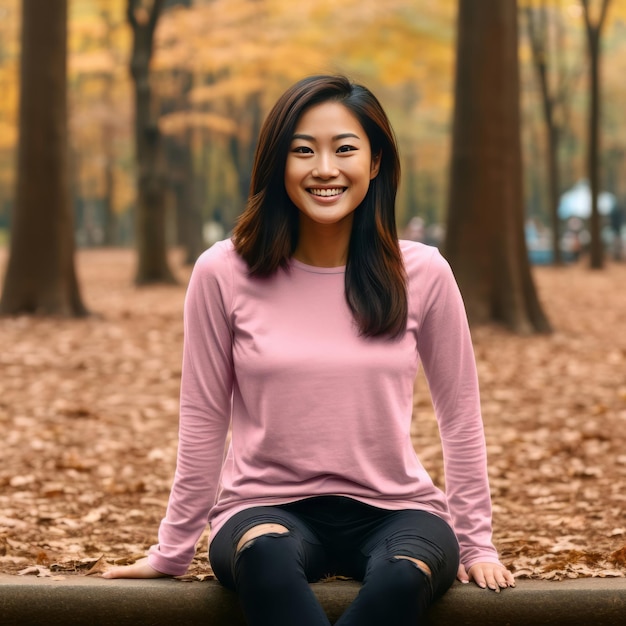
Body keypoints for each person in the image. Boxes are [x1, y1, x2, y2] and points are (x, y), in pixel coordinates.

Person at [103, 75, 515, 624]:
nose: (325, 168)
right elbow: (203, 418)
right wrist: (173, 550)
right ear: (278, 165)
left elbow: (460, 417)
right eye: (303, 151)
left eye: (345, 149)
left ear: (374, 164)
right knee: (268, 559)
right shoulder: (222, 272)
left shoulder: (424, 272)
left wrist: (477, 543)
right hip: (262, 511)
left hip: (399, 511)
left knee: (401, 576)